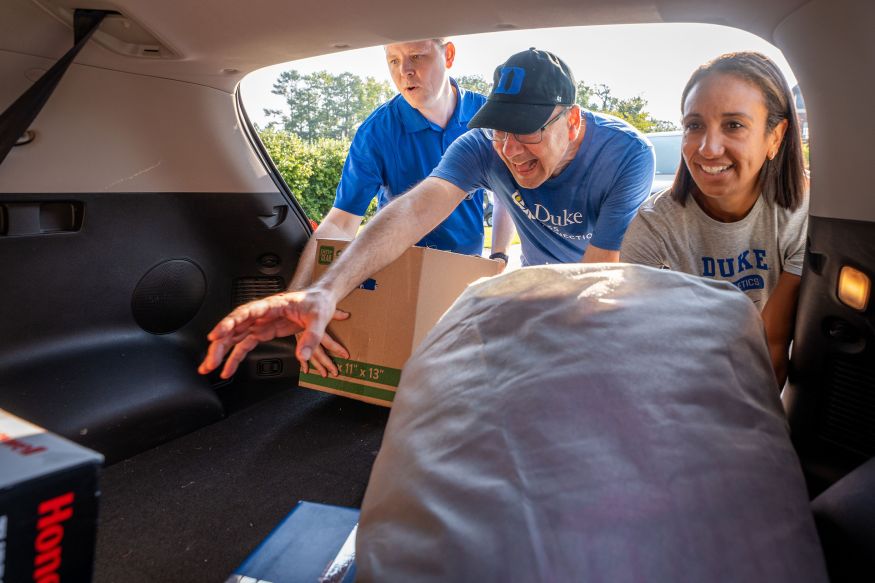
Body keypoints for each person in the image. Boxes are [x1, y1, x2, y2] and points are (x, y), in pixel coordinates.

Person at [198, 48, 654, 381]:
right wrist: (323, 291)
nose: (510, 151)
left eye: (525, 132)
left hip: (596, 284)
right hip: (536, 279)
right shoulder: (479, 147)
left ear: (571, 123)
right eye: (499, 131)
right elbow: (413, 209)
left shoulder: (627, 155)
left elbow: (597, 274)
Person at [287, 38, 514, 375]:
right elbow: (340, 222)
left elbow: (505, 195)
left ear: (448, 55)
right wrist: (296, 297)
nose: (404, 71)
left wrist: (498, 257)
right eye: (392, 60)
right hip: (398, 272)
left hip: (463, 272)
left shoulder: (488, 118)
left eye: (416, 56)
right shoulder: (376, 132)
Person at [620, 51, 808, 387]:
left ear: (775, 137)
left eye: (734, 125)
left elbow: (771, 348)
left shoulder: (801, 214)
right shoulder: (652, 226)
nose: (707, 148)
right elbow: (640, 345)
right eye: (694, 125)